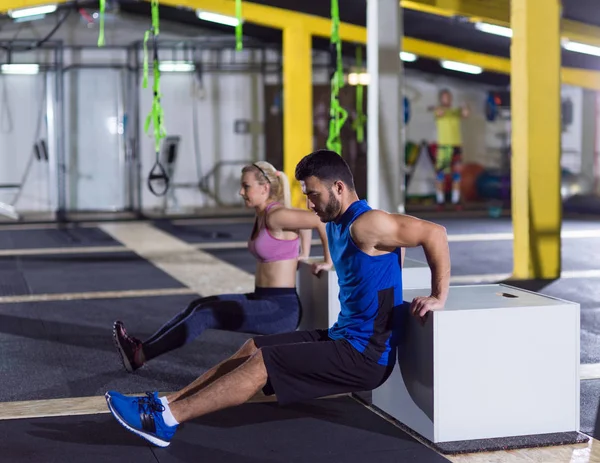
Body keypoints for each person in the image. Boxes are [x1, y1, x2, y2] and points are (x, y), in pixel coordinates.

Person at [104, 150, 451, 448]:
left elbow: (434, 233)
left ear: (339, 188)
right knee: (253, 347)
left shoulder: (369, 222)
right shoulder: (334, 223)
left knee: (263, 364)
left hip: (365, 356)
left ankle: (165, 420)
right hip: (342, 336)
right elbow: (388, 258)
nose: (308, 203)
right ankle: (166, 402)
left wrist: (438, 295)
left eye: (313, 195)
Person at [112, 160, 333, 372]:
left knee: (205, 315)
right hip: (262, 298)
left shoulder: (276, 215)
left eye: (246, 186)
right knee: (199, 305)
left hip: (279, 309)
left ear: (265, 188)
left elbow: (318, 220)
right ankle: (140, 349)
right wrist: (302, 251)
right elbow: (305, 222)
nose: (241, 192)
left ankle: (139, 356)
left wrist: (327, 260)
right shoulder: (264, 215)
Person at [428, 88, 470, 210]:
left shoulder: (455, 111)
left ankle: (455, 201)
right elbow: (438, 112)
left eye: (449, 96)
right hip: (444, 147)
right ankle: (440, 201)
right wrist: (438, 108)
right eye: (445, 97)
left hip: (456, 146)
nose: (447, 99)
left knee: (457, 174)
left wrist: (465, 106)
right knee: (440, 175)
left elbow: (466, 114)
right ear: (441, 98)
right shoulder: (439, 111)